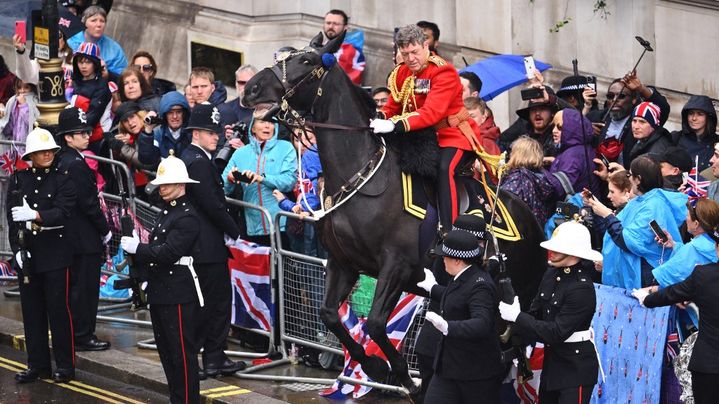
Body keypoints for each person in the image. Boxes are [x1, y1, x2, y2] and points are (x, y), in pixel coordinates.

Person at [373, 24, 485, 235]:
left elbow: (431, 113)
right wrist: (379, 117)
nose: (411, 58)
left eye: (415, 52)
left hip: (452, 134)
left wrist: (394, 124)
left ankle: (449, 230)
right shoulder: (401, 73)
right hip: (417, 137)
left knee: (444, 169)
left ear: (426, 46)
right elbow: (393, 106)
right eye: (405, 54)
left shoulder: (443, 71)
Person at [120, 155, 202, 404]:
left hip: (177, 290)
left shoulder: (187, 216)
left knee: (181, 353)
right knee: (167, 351)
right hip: (161, 288)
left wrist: (138, 249)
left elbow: (169, 253)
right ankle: (177, 397)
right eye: (162, 184)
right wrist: (144, 275)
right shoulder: (168, 211)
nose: (162, 187)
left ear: (181, 185)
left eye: (168, 183)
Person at [499, 220, 601, 404]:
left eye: (559, 248)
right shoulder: (551, 274)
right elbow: (536, 312)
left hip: (575, 369)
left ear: (573, 252)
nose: (552, 252)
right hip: (553, 364)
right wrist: (515, 322)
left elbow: (556, 332)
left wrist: (518, 317)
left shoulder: (581, 287)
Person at [180, 102, 245, 378]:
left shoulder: (196, 158)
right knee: (211, 305)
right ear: (196, 133)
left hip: (204, 245)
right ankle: (207, 359)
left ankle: (213, 359)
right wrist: (234, 231)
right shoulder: (197, 162)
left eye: (216, 131)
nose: (216, 136)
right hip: (205, 246)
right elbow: (213, 205)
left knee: (212, 305)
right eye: (210, 132)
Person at [8, 128, 77, 383]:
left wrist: (36, 216)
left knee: (59, 312)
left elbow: (64, 212)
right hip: (29, 256)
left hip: (55, 254)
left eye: (50, 150)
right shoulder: (19, 179)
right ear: (31, 156)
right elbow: (12, 219)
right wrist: (17, 251)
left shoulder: (63, 179)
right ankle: (37, 364)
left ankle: (65, 366)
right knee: (32, 312)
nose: (47, 154)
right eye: (40, 151)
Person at [632, 226, 719, 404]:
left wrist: (647, 299)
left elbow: (673, 293)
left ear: (717, 248)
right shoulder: (704, 275)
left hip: (709, 365)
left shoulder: (704, 275)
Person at [416, 229, 504, 403]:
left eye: (445, 256)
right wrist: (432, 288)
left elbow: (482, 323)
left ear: (457, 260)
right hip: (448, 368)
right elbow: (457, 297)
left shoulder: (480, 285)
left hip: (475, 374)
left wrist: (449, 327)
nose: (442, 260)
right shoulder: (460, 277)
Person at [55, 107, 112, 352]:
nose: (87, 136)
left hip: (72, 236)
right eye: (80, 132)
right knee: (85, 289)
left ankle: (77, 332)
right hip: (84, 237)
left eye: (87, 131)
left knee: (77, 288)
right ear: (68, 137)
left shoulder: (64, 159)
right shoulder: (76, 164)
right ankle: (83, 334)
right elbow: (88, 203)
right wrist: (105, 229)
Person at [585, 155, 687, 289]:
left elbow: (628, 241)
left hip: (644, 278)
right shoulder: (644, 200)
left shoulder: (652, 206)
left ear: (638, 179)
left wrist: (607, 214)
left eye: (630, 174)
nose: (628, 178)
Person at [222, 108, 297, 246]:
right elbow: (222, 189)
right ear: (253, 127)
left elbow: (290, 181)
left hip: (282, 227)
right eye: (263, 121)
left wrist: (262, 178)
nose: (268, 125)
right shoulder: (240, 153)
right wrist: (230, 179)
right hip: (250, 228)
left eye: (271, 122)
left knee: (282, 267)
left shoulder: (286, 147)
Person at [589, 71, 670, 166]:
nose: (614, 100)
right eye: (610, 96)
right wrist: (586, 129)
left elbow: (662, 108)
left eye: (621, 96)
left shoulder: (639, 121)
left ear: (634, 99)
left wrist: (641, 88)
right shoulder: (596, 118)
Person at [652, 198, 719, 288]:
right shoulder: (715, 244)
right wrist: (674, 245)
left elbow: (664, 279)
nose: (685, 219)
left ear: (696, 224)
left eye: (687, 216)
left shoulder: (691, 249)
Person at [500, 136, 554, 227]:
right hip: (535, 233)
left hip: (517, 233)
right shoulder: (538, 177)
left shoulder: (518, 178)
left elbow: (502, 204)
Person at [546, 109, 600, 200]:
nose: (554, 131)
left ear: (572, 128)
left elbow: (559, 188)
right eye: (553, 126)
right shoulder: (581, 149)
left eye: (560, 127)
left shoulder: (573, 154)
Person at [66, 6, 128, 77]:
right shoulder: (70, 40)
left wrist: (108, 74)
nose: (99, 25)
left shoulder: (114, 49)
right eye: (94, 20)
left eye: (102, 21)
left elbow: (123, 76)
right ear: (83, 23)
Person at [71, 42, 112, 147]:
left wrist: (70, 131)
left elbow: (92, 116)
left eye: (88, 62)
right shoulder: (75, 81)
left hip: (96, 138)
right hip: (75, 135)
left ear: (95, 63)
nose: (83, 66)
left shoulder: (102, 86)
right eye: (80, 62)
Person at [137, 90, 191, 166]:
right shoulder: (157, 134)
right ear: (164, 114)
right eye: (170, 112)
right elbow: (147, 160)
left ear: (184, 113)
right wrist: (148, 131)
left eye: (178, 112)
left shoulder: (192, 133)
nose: (175, 116)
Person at [671, 95, 718, 173]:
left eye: (700, 114)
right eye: (691, 113)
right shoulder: (676, 138)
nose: (694, 118)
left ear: (708, 117)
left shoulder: (716, 142)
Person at [218, 64, 257, 147]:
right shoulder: (227, 109)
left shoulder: (264, 111)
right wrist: (226, 137)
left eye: (250, 83)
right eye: (241, 83)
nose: (246, 87)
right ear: (236, 84)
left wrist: (244, 148)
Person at [625, 101, 673, 167]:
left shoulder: (657, 150)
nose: (636, 127)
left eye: (642, 122)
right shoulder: (644, 139)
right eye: (634, 121)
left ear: (653, 125)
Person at [0, 78, 39, 155]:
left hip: (28, 147)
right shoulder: (12, 101)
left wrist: (24, 105)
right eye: (19, 88)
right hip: (15, 147)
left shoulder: (35, 101)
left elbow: (33, 124)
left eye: (26, 87)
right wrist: (3, 118)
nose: (22, 90)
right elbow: (8, 129)